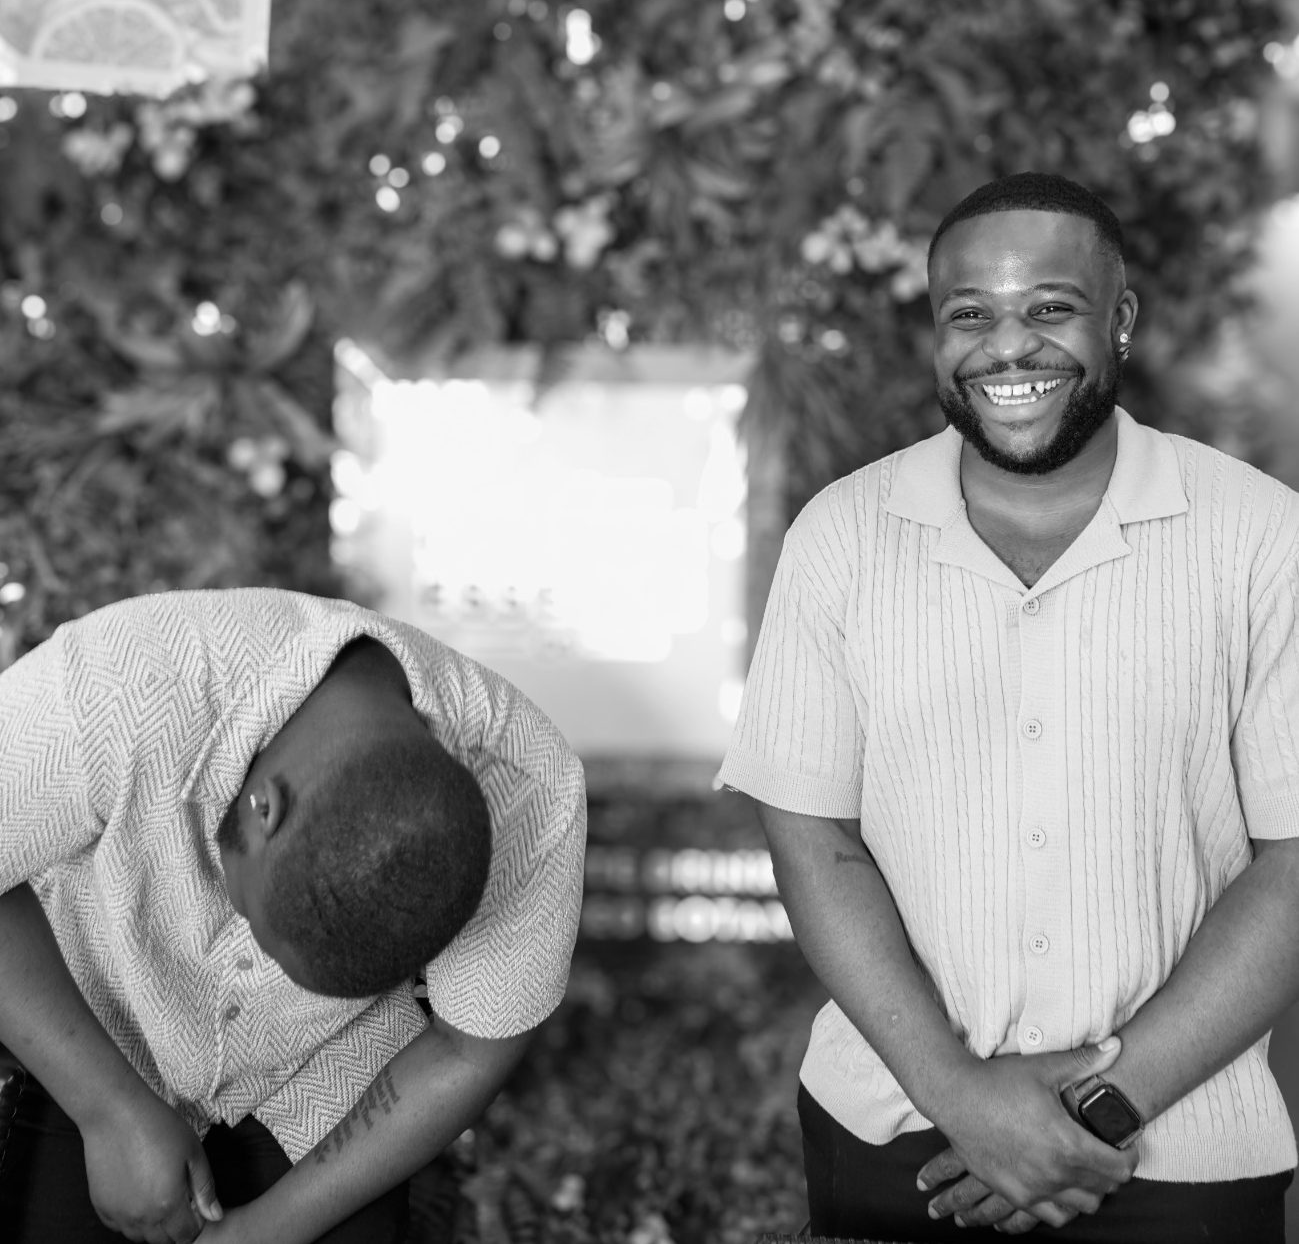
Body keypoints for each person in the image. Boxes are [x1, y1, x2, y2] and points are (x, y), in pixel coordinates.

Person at [719, 172, 1299, 1242]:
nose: (1008, 347)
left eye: (1050, 309)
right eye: (970, 314)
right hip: (896, 1132)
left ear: (1118, 320)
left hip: (1182, 1152)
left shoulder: (1264, 540)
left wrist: (1092, 1112)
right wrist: (962, 1097)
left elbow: (1295, 863)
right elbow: (812, 835)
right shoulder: (842, 537)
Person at [0, 586, 586, 1243]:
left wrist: (269, 1231)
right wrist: (108, 1109)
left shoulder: (534, 796)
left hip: (327, 1080)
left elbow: (467, 1050)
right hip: (91, 1021)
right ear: (262, 806)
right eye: (269, 935)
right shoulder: (127, 677)